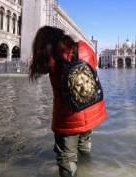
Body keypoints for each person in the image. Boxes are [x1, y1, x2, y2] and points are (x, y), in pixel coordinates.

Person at [29, 26, 107, 177]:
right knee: (85, 144)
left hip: (68, 117)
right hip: (91, 108)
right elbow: (94, 65)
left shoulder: (51, 56)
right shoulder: (85, 48)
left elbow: (39, 69)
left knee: (67, 157)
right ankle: (87, 170)